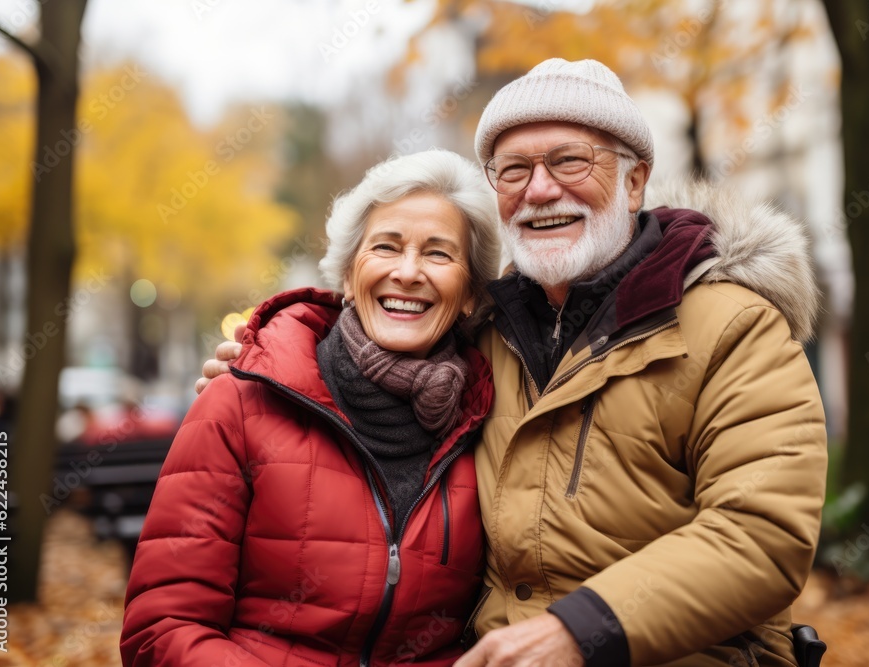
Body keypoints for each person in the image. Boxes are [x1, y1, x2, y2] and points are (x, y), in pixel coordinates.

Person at [199, 59, 828, 666]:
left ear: (635, 180)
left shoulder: (734, 326)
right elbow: (372, 360)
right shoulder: (484, 333)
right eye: (513, 170)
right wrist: (268, 375)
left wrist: (579, 634)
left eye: (569, 161)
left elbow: (762, 535)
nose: (540, 189)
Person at [121, 149, 501, 666]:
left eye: (439, 254)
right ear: (347, 275)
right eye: (386, 247)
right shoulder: (239, 401)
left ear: (470, 295)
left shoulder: (495, 419)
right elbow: (163, 628)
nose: (408, 273)